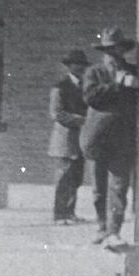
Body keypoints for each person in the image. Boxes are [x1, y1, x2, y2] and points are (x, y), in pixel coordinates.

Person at [80, 25, 139, 248]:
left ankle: (114, 231)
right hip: (97, 137)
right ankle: (101, 227)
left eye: (116, 50)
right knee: (99, 188)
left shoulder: (136, 71)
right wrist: (117, 84)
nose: (112, 55)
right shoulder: (94, 72)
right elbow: (90, 96)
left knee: (119, 186)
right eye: (107, 50)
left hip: (123, 137)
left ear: (122, 50)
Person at [48, 49, 90, 224]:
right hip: (64, 140)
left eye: (82, 64)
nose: (79, 67)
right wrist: (81, 120)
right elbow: (57, 113)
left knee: (76, 178)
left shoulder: (86, 86)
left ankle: (70, 213)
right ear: (69, 66)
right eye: (75, 64)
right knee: (64, 177)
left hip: (80, 140)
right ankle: (60, 214)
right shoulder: (60, 87)